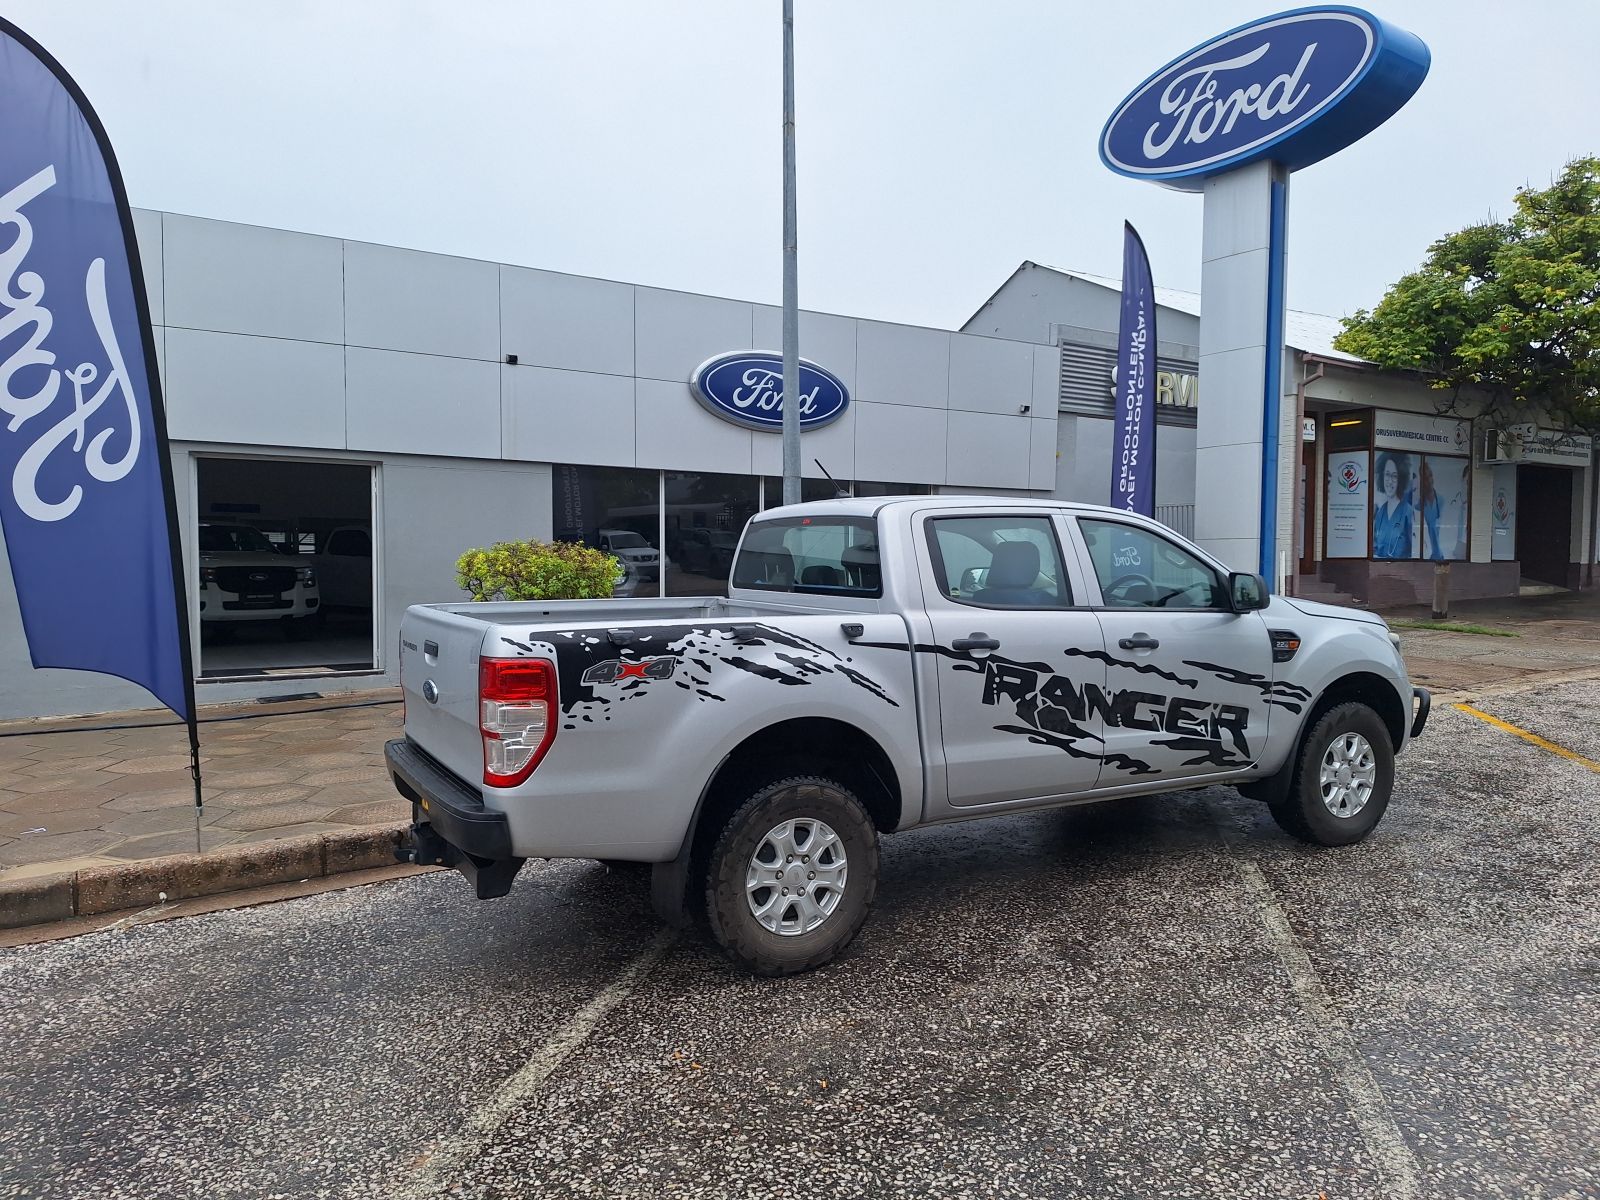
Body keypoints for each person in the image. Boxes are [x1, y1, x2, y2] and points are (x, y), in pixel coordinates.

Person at [1372, 452, 1414, 559]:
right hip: (1381, 573)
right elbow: (1375, 548)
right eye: (1387, 474)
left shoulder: (1408, 512)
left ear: (1400, 479)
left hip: (1402, 573)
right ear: (1382, 475)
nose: (1390, 481)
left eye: (1394, 476)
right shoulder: (1380, 513)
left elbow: (1414, 552)